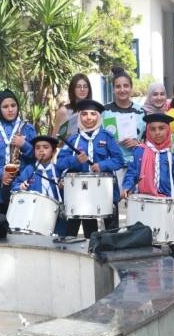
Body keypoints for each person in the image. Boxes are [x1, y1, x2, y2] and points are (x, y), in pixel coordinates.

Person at [123, 112, 174, 263]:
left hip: (168, 206)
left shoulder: (173, 156)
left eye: (161, 128)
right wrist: (127, 186)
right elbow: (132, 173)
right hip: (145, 204)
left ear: (168, 130)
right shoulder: (139, 152)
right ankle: (148, 272)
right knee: (147, 243)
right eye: (152, 129)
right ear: (147, 131)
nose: (157, 132)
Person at [57, 99, 125, 238]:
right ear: (79, 117)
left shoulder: (107, 137)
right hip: (81, 193)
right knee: (87, 232)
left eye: (93, 114)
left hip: (106, 191)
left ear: (98, 117)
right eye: (84, 114)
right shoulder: (73, 139)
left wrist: (102, 165)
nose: (88, 117)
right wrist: (75, 160)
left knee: (112, 232)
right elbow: (60, 163)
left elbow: (119, 160)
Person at [0, 90, 37, 214]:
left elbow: (38, 157)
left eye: (13, 105)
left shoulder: (28, 129)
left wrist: (25, 145)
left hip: (23, 188)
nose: (10, 109)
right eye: (5, 107)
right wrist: (2, 174)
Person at [12, 135, 67, 236]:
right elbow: (15, 185)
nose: (41, 150)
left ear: (54, 152)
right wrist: (20, 186)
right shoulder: (29, 170)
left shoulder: (59, 170)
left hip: (57, 217)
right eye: (37, 148)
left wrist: (64, 187)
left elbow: (67, 193)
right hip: (34, 215)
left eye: (46, 147)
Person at [103, 69, 146, 167]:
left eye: (126, 86)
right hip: (111, 165)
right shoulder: (104, 111)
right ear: (113, 89)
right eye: (118, 86)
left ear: (131, 88)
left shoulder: (141, 112)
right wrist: (110, 143)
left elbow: (148, 142)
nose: (122, 90)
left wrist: (137, 143)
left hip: (136, 165)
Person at [53, 73, 92, 137]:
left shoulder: (94, 111)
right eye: (78, 87)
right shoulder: (63, 111)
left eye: (85, 86)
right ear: (72, 89)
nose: (82, 89)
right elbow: (55, 139)